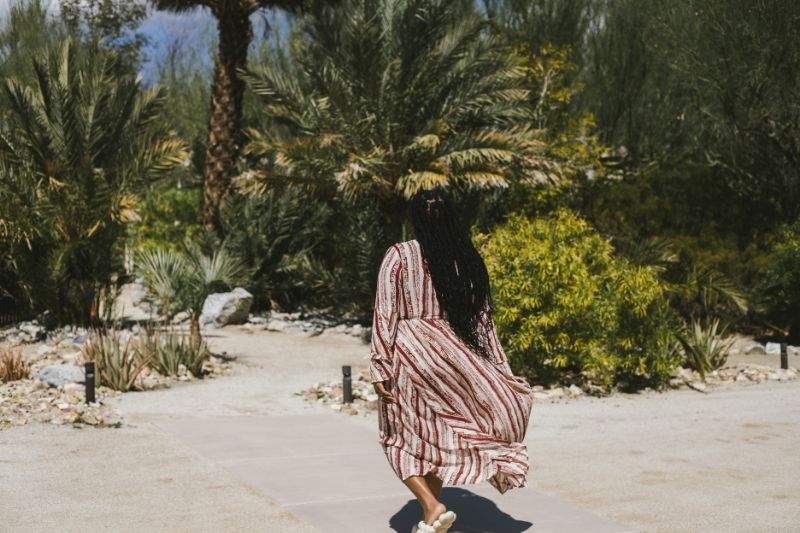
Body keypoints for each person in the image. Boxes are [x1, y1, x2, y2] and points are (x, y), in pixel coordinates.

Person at [369, 188, 534, 533]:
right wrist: (499, 370)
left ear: (415, 219)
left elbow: (385, 313)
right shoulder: (466, 260)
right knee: (435, 438)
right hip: (455, 359)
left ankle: (432, 505)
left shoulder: (400, 255)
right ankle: (431, 518)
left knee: (399, 439)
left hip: (411, 358)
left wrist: (379, 366)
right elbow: (483, 322)